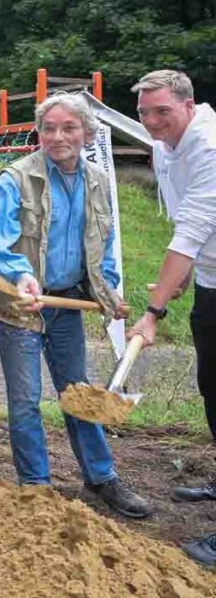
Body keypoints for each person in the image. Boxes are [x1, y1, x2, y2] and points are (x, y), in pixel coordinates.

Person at [0, 93, 151, 518]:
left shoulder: (98, 181)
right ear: (39, 133)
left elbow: (103, 244)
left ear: (87, 134)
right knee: (25, 400)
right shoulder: (17, 179)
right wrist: (21, 275)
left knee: (78, 394)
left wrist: (107, 291)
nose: (58, 137)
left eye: (69, 128)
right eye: (49, 128)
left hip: (68, 302)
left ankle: (101, 476)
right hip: (20, 305)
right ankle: (35, 486)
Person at [123, 72, 216, 561]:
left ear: (189, 105)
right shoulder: (164, 145)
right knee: (212, 388)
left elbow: (196, 224)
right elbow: (186, 223)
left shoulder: (210, 147)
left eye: (163, 111)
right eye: (145, 113)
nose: (153, 121)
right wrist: (181, 276)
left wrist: (152, 312)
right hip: (211, 280)